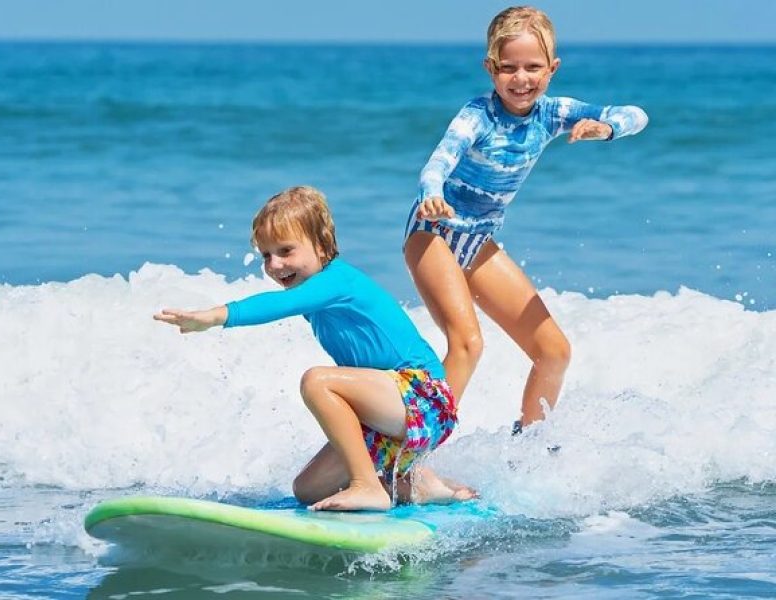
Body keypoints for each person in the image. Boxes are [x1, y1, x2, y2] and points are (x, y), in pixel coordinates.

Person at [403, 6, 648, 432]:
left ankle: (528, 451)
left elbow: (636, 115)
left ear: (552, 69)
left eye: (533, 67)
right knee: (467, 345)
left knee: (553, 351)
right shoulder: (477, 115)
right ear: (490, 68)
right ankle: (408, 452)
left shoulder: (552, 113)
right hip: (433, 233)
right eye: (509, 68)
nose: (521, 78)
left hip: (477, 243)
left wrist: (605, 129)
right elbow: (438, 162)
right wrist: (432, 195)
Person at [154, 186, 474, 511]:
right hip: (388, 412)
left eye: (286, 251)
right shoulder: (314, 294)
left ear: (321, 246)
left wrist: (214, 316)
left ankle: (368, 487)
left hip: (425, 398)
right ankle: (421, 486)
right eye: (266, 255)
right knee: (308, 488)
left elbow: (280, 304)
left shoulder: (336, 281)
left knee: (318, 381)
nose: (275, 264)